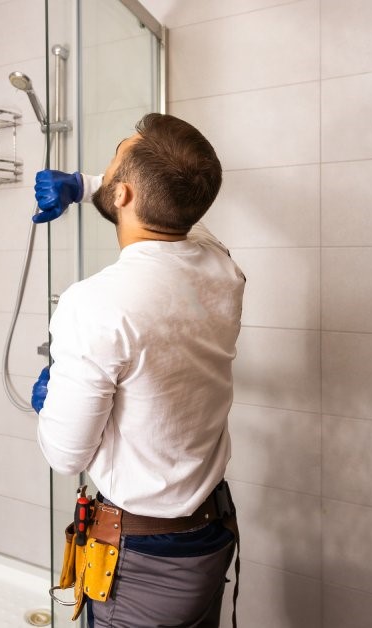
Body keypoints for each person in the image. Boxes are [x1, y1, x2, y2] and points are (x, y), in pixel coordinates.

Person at [30, 113, 245, 627]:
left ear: (124, 194)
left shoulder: (96, 303)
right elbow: (180, 206)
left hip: (143, 566)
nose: (101, 172)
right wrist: (85, 186)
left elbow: (65, 455)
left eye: (111, 165)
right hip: (208, 535)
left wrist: (52, 398)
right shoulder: (222, 267)